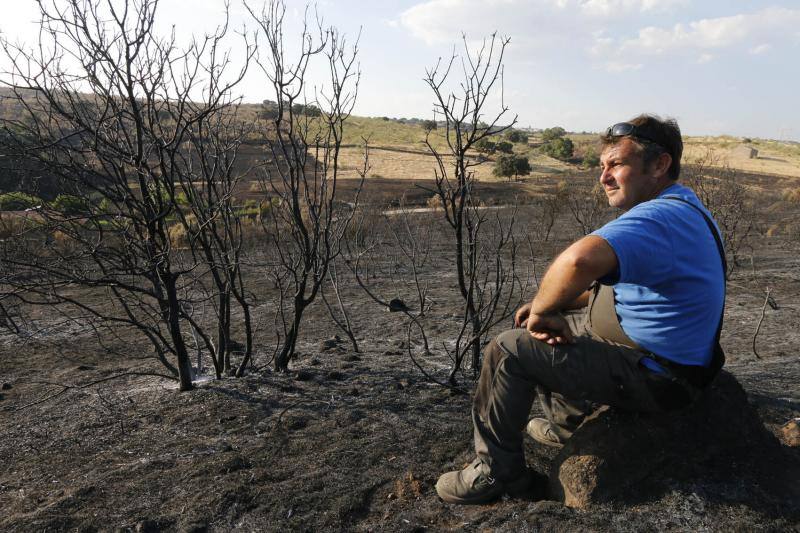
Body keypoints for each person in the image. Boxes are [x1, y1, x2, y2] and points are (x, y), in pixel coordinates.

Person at [435, 114, 726, 505]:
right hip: (663, 360)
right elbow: (622, 288)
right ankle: (569, 427)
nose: (604, 177)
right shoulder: (685, 208)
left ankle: (496, 474)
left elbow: (577, 262)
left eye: (617, 165)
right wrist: (547, 306)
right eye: (602, 166)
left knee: (509, 349)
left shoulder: (660, 217)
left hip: (658, 377)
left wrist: (544, 309)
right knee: (559, 321)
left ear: (659, 165)